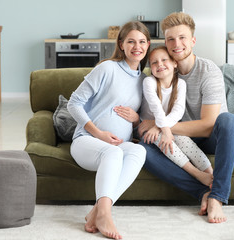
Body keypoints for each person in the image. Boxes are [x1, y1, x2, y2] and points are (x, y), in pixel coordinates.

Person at [138, 12, 234, 223]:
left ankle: (217, 197)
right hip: (181, 139)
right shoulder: (161, 73)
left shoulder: (208, 71)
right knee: (142, 149)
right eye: (170, 39)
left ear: (192, 40)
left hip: (211, 137)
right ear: (165, 43)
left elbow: (208, 125)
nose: (177, 44)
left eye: (182, 38)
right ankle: (202, 192)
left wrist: (159, 125)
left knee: (228, 120)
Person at [67, 21, 151, 239]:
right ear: (121, 44)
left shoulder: (144, 80)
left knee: (139, 151)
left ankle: (96, 211)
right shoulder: (107, 68)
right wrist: (98, 133)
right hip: (87, 141)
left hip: (118, 145)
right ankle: (104, 213)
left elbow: (141, 122)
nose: (137, 46)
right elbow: (73, 103)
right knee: (113, 152)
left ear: (148, 45)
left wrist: (136, 119)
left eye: (142, 42)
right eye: (131, 41)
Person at [140, 45, 213, 186]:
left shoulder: (180, 84)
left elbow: (178, 111)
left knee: (184, 140)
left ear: (174, 63)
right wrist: (164, 131)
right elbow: (156, 108)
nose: (159, 64)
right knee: (164, 138)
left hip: (164, 125)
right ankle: (197, 174)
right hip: (147, 129)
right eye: (154, 62)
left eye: (164, 60)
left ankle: (211, 174)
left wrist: (159, 127)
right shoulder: (149, 82)